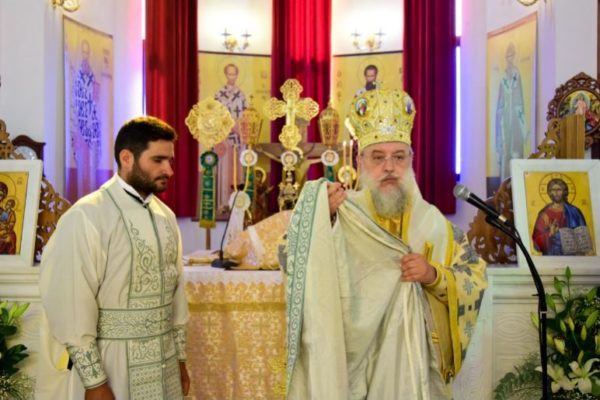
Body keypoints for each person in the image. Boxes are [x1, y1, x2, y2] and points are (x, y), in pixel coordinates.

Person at [283, 89, 487, 399]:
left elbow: (475, 276)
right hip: (351, 366)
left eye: (398, 157)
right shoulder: (343, 211)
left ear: (411, 160)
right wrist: (322, 221)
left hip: (413, 369)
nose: (389, 167)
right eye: (378, 157)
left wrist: (433, 275)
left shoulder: (434, 223)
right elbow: (287, 256)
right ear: (360, 161)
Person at [36, 116, 190, 400]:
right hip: (113, 364)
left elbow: (176, 293)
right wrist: (94, 381)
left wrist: (180, 360)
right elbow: (70, 302)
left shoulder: (165, 216)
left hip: (165, 363)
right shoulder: (87, 215)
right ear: (127, 158)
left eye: (170, 160)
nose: (168, 169)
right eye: (158, 160)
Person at [214, 63, 247, 212]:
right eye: (229, 73)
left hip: (237, 139)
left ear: (237, 75)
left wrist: (237, 127)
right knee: (224, 170)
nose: (231, 77)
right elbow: (215, 116)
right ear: (225, 74)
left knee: (237, 169)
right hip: (224, 138)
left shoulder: (241, 95)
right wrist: (226, 127)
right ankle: (223, 204)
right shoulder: (219, 94)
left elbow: (245, 117)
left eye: (234, 74)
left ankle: (237, 204)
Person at [532, 177, 592, 255]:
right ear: (550, 192)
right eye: (553, 190)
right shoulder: (544, 214)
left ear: (564, 192)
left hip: (573, 255)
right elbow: (536, 243)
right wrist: (550, 233)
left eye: (559, 189)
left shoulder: (575, 212)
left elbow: (583, 238)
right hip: (552, 255)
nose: (556, 192)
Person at [495, 42, 528, 183]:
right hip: (505, 117)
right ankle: (504, 182)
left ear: (514, 57)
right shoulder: (503, 77)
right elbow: (500, 98)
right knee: (505, 148)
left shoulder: (516, 74)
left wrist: (519, 117)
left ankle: (517, 182)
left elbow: (519, 97)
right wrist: (500, 111)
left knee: (515, 148)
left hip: (515, 116)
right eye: (507, 56)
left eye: (511, 56)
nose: (509, 59)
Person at [0, 186, 17, 255]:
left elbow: (10, 222)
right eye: (7, 204)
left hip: (4, 229)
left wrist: (6, 227)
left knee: (11, 238)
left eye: (0, 195)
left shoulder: (3, 211)